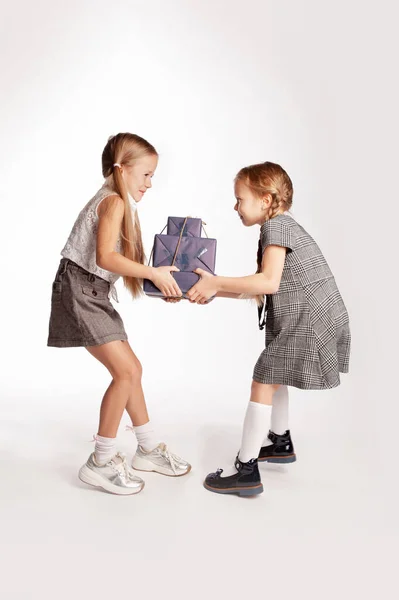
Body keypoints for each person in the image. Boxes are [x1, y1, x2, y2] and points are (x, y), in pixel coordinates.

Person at [187, 161, 350, 497]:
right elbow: (262, 287)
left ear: (265, 199)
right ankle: (280, 441)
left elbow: (268, 281)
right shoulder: (282, 226)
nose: (235, 206)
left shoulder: (276, 228)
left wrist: (216, 282)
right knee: (277, 373)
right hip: (317, 314)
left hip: (309, 317)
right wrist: (215, 289)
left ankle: (246, 470)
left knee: (264, 378)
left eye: (240, 199)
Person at [47, 133, 191, 495]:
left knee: (131, 371)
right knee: (126, 372)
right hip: (81, 290)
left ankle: (146, 448)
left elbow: (118, 265)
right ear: (121, 169)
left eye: (152, 175)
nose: (150, 182)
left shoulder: (118, 203)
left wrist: (159, 284)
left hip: (89, 290)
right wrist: (153, 273)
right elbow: (105, 259)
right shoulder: (112, 202)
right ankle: (101, 461)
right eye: (145, 174)